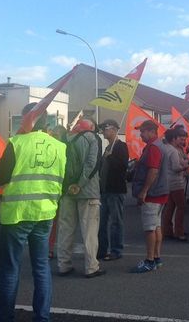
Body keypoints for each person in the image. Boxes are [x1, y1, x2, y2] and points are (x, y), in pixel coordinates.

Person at [0, 103, 67, 322]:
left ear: (27, 119)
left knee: (9, 269)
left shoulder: (16, 143)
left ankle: (4, 317)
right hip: (45, 213)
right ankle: (42, 317)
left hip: (16, 214)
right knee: (41, 267)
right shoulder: (59, 146)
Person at [57, 118, 105, 278]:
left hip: (66, 191)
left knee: (65, 229)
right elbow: (92, 164)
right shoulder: (93, 138)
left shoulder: (64, 139)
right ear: (90, 128)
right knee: (89, 231)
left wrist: (68, 185)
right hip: (88, 192)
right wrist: (80, 184)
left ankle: (63, 265)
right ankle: (91, 266)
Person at [131, 120, 170, 273]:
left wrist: (144, 191)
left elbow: (153, 170)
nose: (140, 134)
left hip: (153, 194)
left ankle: (149, 260)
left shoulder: (153, 147)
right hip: (161, 192)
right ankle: (156, 257)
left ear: (151, 131)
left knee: (149, 228)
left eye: (142, 131)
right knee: (156, 226)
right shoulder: (160, 146)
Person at [97, 119, 129, 261]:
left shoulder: (120, 146)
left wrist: (110, 158)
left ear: (114, 130)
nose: (103, 132)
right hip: (105, 190)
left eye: (106, 129)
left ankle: (116, 250)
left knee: (116, 221)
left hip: (115, 190)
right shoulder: (107, 147)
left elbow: (123, 166)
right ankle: (102, 249)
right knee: (102, 222)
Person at [162, 128, 189, 241]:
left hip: (167, 181)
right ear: (174, 138)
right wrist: (185, 166)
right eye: (179, 138)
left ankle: (167, 230)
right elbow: (176, 167)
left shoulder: (165, 148)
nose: (181, 140)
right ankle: (179, 231)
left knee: (170, 207)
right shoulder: (173, 151)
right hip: (176, 182)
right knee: (181, 207)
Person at [47, 125, 68, 259]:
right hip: (53, 190)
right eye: (53, 135)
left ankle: (52, 248)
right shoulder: (52, 148)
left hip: (58, 190)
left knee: (58, 223)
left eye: (56, 135)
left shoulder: (64, 149)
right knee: (52, 222)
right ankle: (50, 248)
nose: (54, 137)